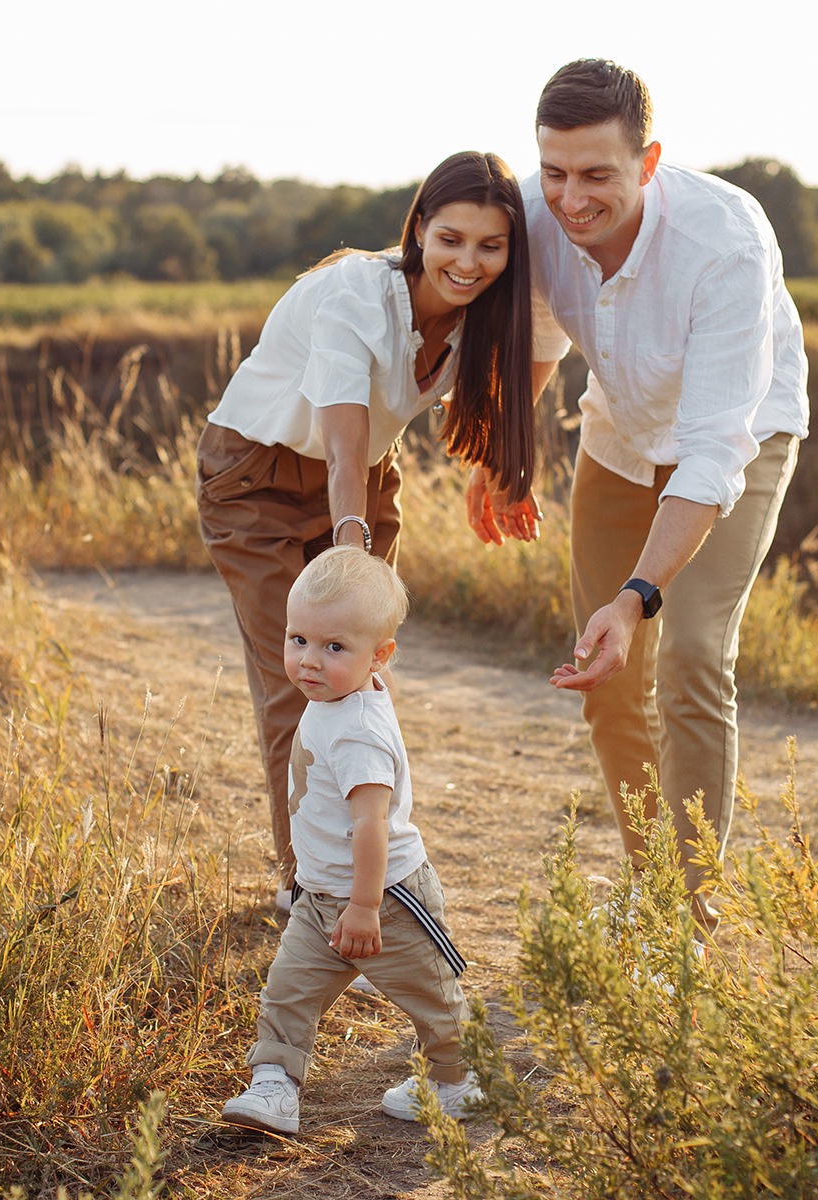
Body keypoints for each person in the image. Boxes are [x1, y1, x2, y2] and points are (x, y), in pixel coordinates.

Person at [468, 59, 809, 926]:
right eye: (553, 173)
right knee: (605, 677)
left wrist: (636, 596)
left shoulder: (725, 241)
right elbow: (544, 335)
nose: (569, 198)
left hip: (738, 440)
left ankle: (684, 926)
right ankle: (655, 888)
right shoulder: (541, 221)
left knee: (691, 656)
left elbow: (710, 452)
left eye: (596, 175)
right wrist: (502, 455)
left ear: (648, 162)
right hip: (620, 435)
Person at [198, 150, 537, 910]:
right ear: (418, 228)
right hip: (256, 478)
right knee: (307, 677)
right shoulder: (355, 293)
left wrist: (500, 464)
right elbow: (343, 443)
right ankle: (309, 886)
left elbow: (531, 360)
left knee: (363, 679)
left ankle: (370, 858)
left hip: (365, 480)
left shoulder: (491, 310)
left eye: (491, 246)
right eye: (450, 239)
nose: (469, 262)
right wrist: (348, 562)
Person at [220, 547, 480, 1134]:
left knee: (433, 999)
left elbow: (371, 826)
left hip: (385, 898)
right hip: (321, 898)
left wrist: (364, 908)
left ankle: (458, 1080)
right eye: (298, 639)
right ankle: (274, 1085)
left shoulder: (359, 731)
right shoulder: (335, 695)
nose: (310, 661)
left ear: (379, 657)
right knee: (287, 990)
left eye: (335, 647)